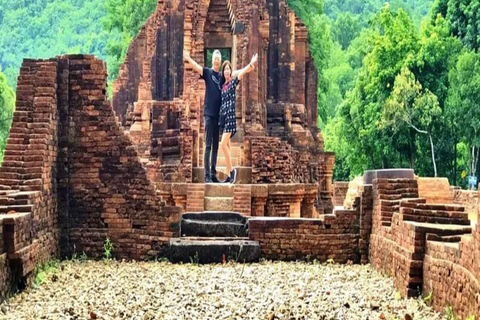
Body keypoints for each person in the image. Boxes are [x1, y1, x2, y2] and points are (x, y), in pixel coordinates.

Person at [183, 49, 223, 183]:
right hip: (208, 114)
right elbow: (196, 67)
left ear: (220, 61)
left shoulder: (222, 76)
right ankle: (206, 175)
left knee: (216, 146)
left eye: (218, 59)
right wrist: (188, 58)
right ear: (212, 60)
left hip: (218, 116)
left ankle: (213, 174)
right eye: (215, 59)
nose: (217, 61)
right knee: (208, 145)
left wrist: (248, 68)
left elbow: (234, 74)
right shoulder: (207, 72)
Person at [219, 54, 258, 183]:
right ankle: (230, 175)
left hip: (230, 117)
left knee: (223, 144)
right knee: (228, 147)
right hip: (223, 118)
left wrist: (250, 65)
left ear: (231, 71)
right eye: (224, 69)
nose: (226, 71)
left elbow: (240, 74)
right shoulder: (222, 85)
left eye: (228, 69)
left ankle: (232, 171)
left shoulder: (232, 83)